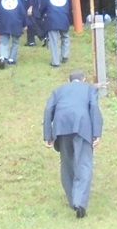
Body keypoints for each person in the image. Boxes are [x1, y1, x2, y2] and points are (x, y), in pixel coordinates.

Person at [43, 69, 103, 218]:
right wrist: (96, 133)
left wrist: (47, 135)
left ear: (69, 80)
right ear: (83, 79)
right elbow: (94, 107)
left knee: (67, 164)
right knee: (83, 164)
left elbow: (48, 109)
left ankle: (72, 200)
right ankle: (80, 201)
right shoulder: (89, 89)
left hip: (61, 127)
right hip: (82, 126)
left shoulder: (59, 90)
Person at [39, 0, 72, 67]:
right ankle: (65, 55)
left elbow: (42, 9)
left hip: (52, 21)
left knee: (53, 41)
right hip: (64, 20)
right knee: (65, 37)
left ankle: (55, 62)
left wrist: (42, 17)